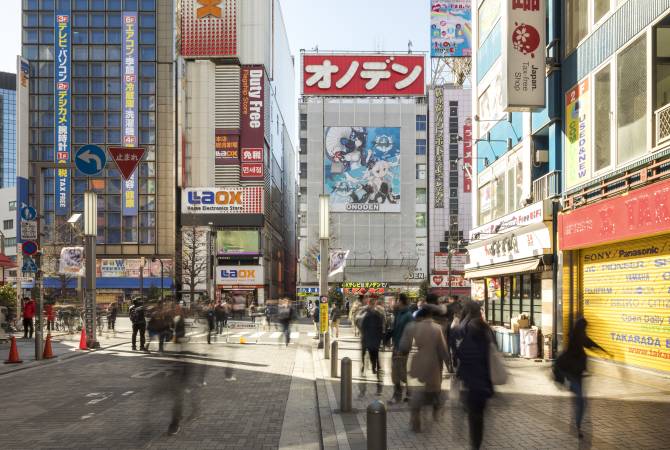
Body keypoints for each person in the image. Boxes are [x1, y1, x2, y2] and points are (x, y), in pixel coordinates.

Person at [555, 317, 612, 438]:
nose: (586, 331)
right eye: (585, 328)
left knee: (580, 401)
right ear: (581, 329)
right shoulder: (576, 338)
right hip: (573, 374)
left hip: (576, 374)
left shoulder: (577, 336)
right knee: (580, 402)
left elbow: (590, 343)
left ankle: (577, 425)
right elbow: (589, 343)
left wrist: (604, 352)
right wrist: (604, 352)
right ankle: (578, 427)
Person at [400, 302, 449, 432]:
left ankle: (415, 420)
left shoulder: (411, 327)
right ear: (431, 315)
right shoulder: (437, 328)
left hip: (416, 364)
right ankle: (435, 409)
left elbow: (404, 346)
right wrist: (449, 366)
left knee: (416, 393)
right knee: (432, 391)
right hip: (433, 365)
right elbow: (443, 350)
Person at [452, 300, 494, 449]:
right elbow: (493, 353)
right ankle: (476, 444)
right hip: (485, 380)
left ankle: (475, 445)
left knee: (473, 416)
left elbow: (459, 353)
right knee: (478, 417)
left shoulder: (464, 330)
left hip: (470, 381)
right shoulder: (487, 329)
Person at [390, 293, 414, 404]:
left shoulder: (408, 316)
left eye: (398, 300)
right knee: (399, 372)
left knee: (398, 372)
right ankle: (407, 394)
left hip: (402, 348)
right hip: (396, 346)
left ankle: (400, 395)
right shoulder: (399, 313)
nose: (396, 302)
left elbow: (410, 333)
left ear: (402, 302)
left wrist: (403, 347)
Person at [360, 297, 385, 394]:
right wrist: (381, 341)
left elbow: (362, 328)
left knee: (373, 360)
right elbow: (381, 328)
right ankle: (378, 383)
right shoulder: (378, 314)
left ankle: (374, 383)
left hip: (369, 342)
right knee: (375, 360)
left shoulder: (366, 314)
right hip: (374, 342)